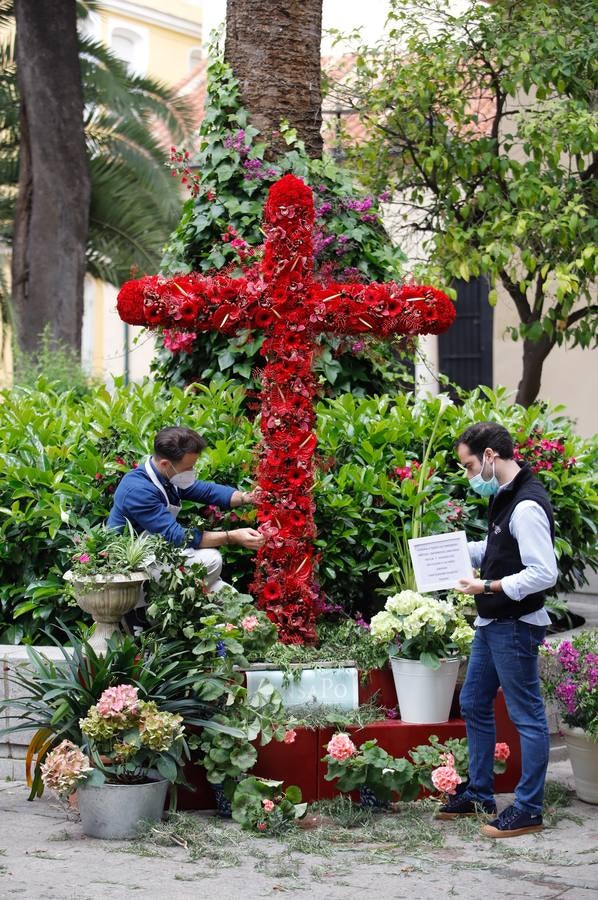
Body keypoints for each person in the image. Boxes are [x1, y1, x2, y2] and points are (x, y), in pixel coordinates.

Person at [438, 421, 557, 838]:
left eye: (469, 466)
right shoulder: (507, 497)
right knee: (473, 700)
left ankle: (528, 809)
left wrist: (487, 585)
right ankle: (480, 794)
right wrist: (447, 550)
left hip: (515, 624)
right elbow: (498, 548)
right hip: (494, 622)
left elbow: (544, 572)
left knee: (527, 716)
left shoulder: (525, 505)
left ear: (490, 456)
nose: (469, 476)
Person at [107, 426, 265, 596]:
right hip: (132, 569)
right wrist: (231, 537)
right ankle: (143, 612)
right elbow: (177, 536)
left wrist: (246, 497)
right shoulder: (138, 490)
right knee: (211, 560)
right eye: (188, 467)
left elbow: (207, 491)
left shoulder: (168, 476)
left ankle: (198, 600)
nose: (191, 472)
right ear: (165, 464)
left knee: (230, 598)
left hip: (160, 553)